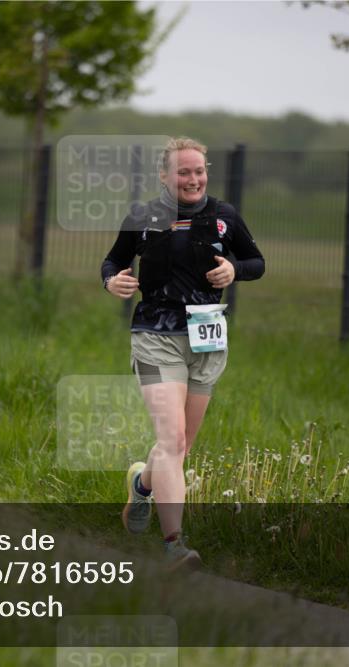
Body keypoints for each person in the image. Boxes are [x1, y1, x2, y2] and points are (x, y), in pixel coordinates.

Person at [100, 137, 265, 570]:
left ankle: (142, 485)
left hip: (206, 340)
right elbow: (112, 261)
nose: (193, 179)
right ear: (164, 175)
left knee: (179, 446)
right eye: (183, 172)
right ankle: (174, 544)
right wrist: (112, 281)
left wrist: (234, 270)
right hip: (155, 335)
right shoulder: (143, 217)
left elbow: (256, 262)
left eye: (199, 171)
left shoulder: (225, 216)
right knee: (171, 439)